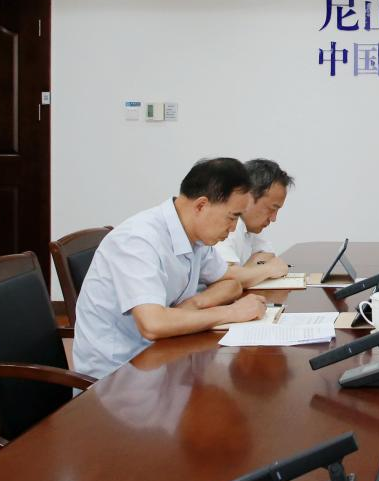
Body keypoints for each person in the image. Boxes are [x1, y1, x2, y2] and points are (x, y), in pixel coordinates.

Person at [73, 158, 266, 380]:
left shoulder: (196, 235)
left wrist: (194, 304)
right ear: (201, 206)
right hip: (118, 376)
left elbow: (230, 282)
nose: (233, 228)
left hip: (163, 356)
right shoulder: (138, 240)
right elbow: (153, 325)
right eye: (232, 217)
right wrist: (232, 312)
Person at [216, 159, 294, 288]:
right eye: (272, 209)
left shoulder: (249, 225)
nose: (273, 218)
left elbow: (268, 255)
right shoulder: (227, 224)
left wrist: (245, 273)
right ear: (248, 197)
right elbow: (225, 280)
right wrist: (268, 270)